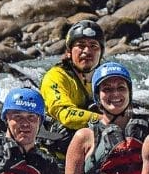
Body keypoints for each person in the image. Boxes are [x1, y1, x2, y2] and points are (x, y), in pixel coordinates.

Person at [63, 61, 149, 174]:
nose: (115, 94)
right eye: (107, 89)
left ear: (129, 92)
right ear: (97, 96)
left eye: (121, 88)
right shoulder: (84, 137)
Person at [37, 19, 105, 156]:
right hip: (54, 157)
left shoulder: (103, 78)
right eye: (81, 45)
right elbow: (66, 115)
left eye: (94, 46)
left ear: (101, 53)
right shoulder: (55, 76)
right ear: (69, 52)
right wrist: (106, 120)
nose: (87, 51)